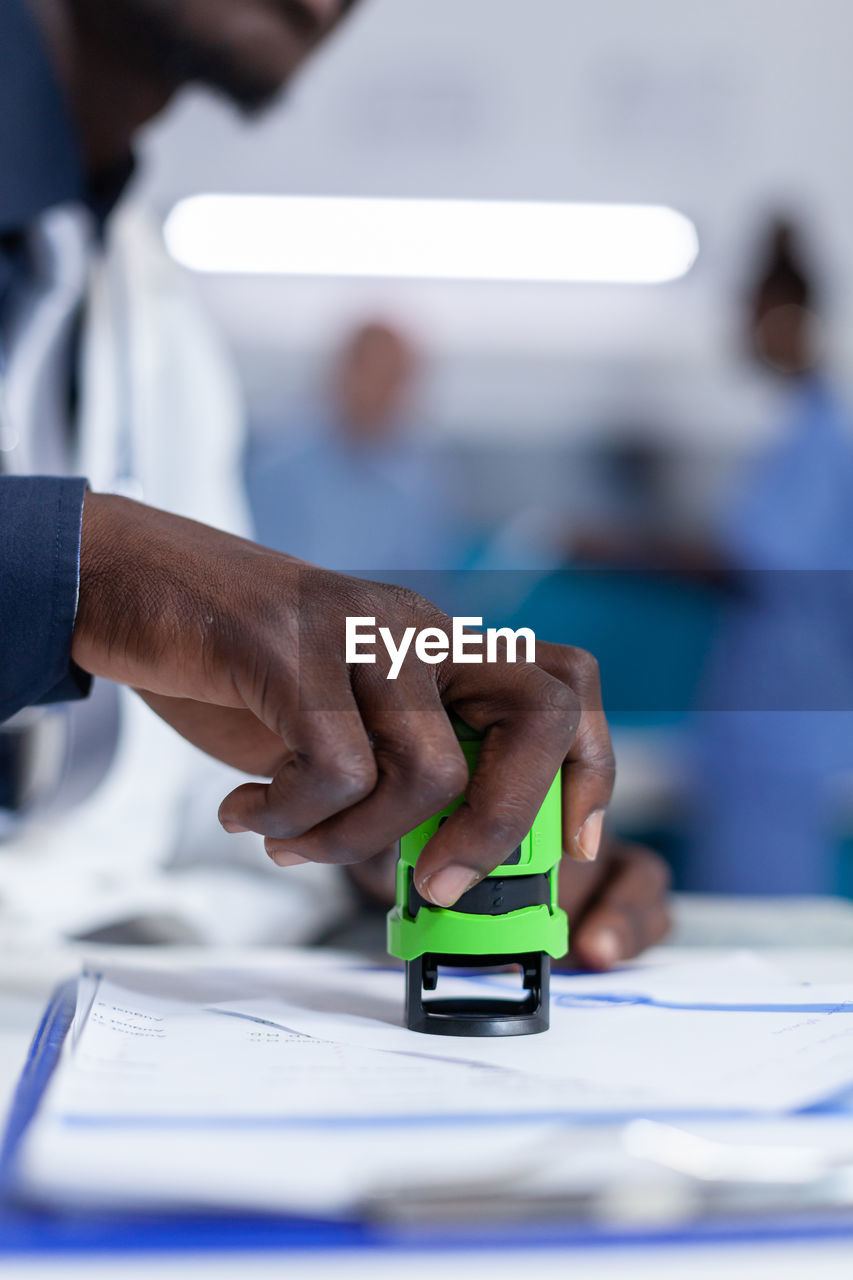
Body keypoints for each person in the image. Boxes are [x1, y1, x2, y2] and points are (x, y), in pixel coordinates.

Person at [0, 0, 669, 965]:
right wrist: (81, 568)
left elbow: (156, 794)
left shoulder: (153, 323)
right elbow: (134, 597)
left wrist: (403, 823)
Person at [686, 219, 853, 893]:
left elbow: (753, 565)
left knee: (766, 918)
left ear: (784, 318)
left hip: (783, 728)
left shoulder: (816, 441)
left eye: (750, 313)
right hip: (755, 727)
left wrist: (612, 547)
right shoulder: (787, 433)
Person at [248, 321, 459, 572]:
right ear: (341, 374)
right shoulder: (280, 468)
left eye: (393, 378)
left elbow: (424, 580)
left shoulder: (422, 484)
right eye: (370, 372)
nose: (377, 391)